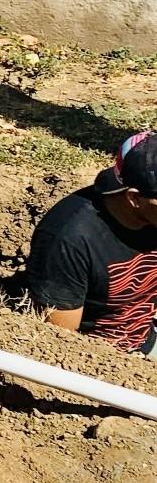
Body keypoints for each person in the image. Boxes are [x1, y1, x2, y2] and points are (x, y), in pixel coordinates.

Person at [24, 131, 157, 355]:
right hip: (107, 358)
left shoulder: (150, 213)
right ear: (134, 199)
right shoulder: (69, 240)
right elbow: (59, 342)